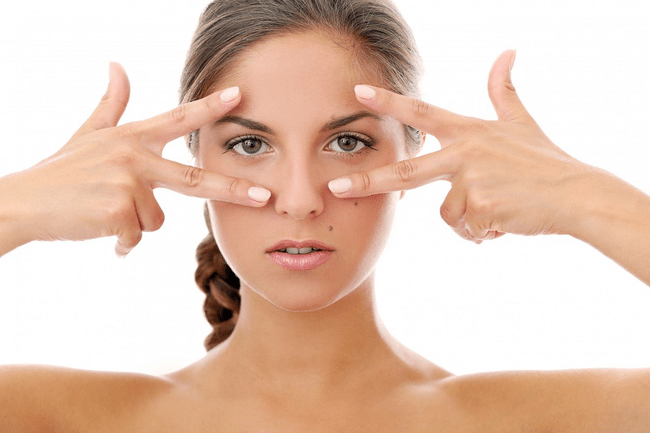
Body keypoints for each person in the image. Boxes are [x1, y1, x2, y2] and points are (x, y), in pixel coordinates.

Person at [1, 0, 649, 431]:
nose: (300, 198)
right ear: (191, 158)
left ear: (414, 155)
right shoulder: (62, 418)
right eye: (249, 144)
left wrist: (581, 196)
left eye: (347, 141)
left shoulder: (532, 422)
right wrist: (17, 205)